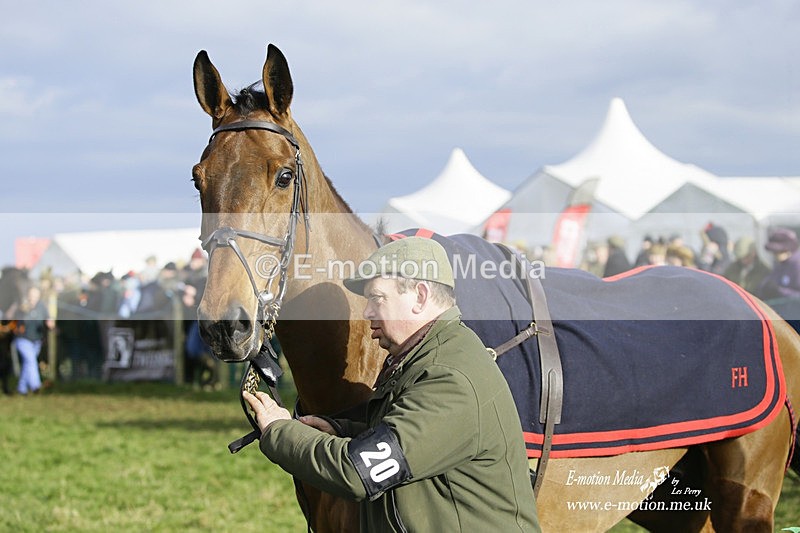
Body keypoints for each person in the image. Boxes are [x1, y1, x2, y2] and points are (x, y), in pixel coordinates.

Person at [244, 237, 540, 532]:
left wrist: (279, 431)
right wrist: (342, 431)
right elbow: (414, 439)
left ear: (420, 296)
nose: (367, 312)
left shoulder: (449, 377)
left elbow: (357, 472)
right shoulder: (430, 355)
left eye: (377, 298)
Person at [13, 286, 53, 395]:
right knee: (31, 361)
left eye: (35, 296)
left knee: (28, 364)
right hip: (23, 340)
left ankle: (21, 388)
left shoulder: (42, 307)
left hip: (36, 341)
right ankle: (36, 386)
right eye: (31, 295)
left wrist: (50, 324)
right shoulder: (22, 307)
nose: (33, 298)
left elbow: (48, 319)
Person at [757, 228, 800, 300]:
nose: (775, 255)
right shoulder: (780, 265)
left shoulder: (797, 265)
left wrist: (780, 291)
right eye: (774, 252)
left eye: (779, 251)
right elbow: (769, 282)